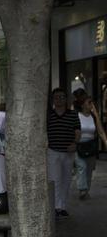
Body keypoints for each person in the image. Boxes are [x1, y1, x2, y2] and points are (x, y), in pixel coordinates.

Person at [46, 87, 79, 218]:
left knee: (66, 180)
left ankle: (62, 206)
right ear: (53, 100)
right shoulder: (49, 115)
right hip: (53, 151)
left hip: (68, 152)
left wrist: (75, 143)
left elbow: (77, 131)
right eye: (56, 97)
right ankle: (55, 207)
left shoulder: (73, 114)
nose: (59, 99)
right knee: (55, 180)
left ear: (66, 99)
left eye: (62, 97)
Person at [73, 88, 107, 200]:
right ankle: (82, 189)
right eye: (89, 102)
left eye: (92, 102)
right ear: (82, 105)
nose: (91, 104)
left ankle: (86, 190)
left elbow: (100, 131)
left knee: (89, 169)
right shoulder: (77, 115)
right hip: (79, 146)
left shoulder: (93, 117)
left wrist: (105, 141)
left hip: (91, 146)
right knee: (81, 167)